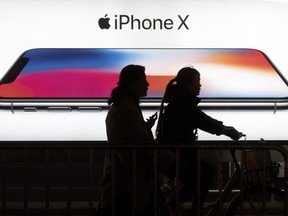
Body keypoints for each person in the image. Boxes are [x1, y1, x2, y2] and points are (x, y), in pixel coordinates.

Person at [156, 66, 242, 215]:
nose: (200, 85)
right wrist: (227, 131)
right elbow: (204, 121)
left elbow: (201, 120)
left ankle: (171, 207)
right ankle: (189, 210)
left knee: (198, 180)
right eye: (198, 81)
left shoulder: (178, 101)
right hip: (177, 157)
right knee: (205, 175)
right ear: (188, 84)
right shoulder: (184, 104)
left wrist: (224, 129)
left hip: (174, 155)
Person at [98, 64, 174, 216]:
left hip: (129, 179)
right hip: (128, 181)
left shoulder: (123, 106)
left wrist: (145, 126)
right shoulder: (125, 109)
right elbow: (141, 141)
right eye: (143, 80)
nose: (147, 84)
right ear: (132, 84)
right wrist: (172, 160)